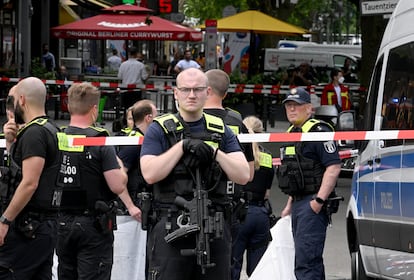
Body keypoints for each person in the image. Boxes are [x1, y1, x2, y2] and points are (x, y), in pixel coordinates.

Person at [140, 68, 250, 279]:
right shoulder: (160, 129)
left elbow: (243, 174)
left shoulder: (220, 129)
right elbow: (150, 174)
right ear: (176, 93)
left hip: (213, 225)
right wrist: (182, 146)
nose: (191, 95)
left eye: (197, 89)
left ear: (208, 92)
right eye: (186, 89)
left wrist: (215, 152)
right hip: (172, 223)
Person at [55, 82, 141, 280]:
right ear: (95, 110)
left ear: (69, 106)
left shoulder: (58, 137)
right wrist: (119, 165)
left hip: (62, 222)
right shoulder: (99, 141)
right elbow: (117, 185)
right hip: (93, 225)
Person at [0, 77, 61, 279]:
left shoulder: (34, 133)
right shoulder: (50, 128)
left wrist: (5, 220)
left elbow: (29, 183)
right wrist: (11, 144)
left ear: (22, 100)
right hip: (41, 226)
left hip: (28, 227)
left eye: (13, 100)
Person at [278, 87, 341, 280]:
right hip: (298, 202)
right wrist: (289, 204)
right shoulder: (291, 133)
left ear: (309, 108)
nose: (292, 110)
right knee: (306, 259)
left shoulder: (318, 131)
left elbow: (333, 166)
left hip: (312, 202)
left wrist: (318, 201)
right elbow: (294, 172)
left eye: (296, 106)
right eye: (289, 106)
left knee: (307, 262)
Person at [231, 116, 275, 280]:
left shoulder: (237, 156)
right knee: (258, 271)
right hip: (261, 216)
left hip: (240, 214)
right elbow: (267, 193)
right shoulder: (268, 157)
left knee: (232, 265)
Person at [118, 99, 158, 207]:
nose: (158, 119)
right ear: (148, 118)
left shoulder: (140, 137)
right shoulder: (134, 142)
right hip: (134, 203)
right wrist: (130, 206)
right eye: (156, 115)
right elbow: (118, 176)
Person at [118, 46, 149, 114]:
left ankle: (126, 121)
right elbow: (144, 77)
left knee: (126, 108)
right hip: (136, 90)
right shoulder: (141, 65)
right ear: (136, 54)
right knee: (136, 109)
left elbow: (120, 77)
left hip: (125, 89)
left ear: (129, 54)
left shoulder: (123, 65)